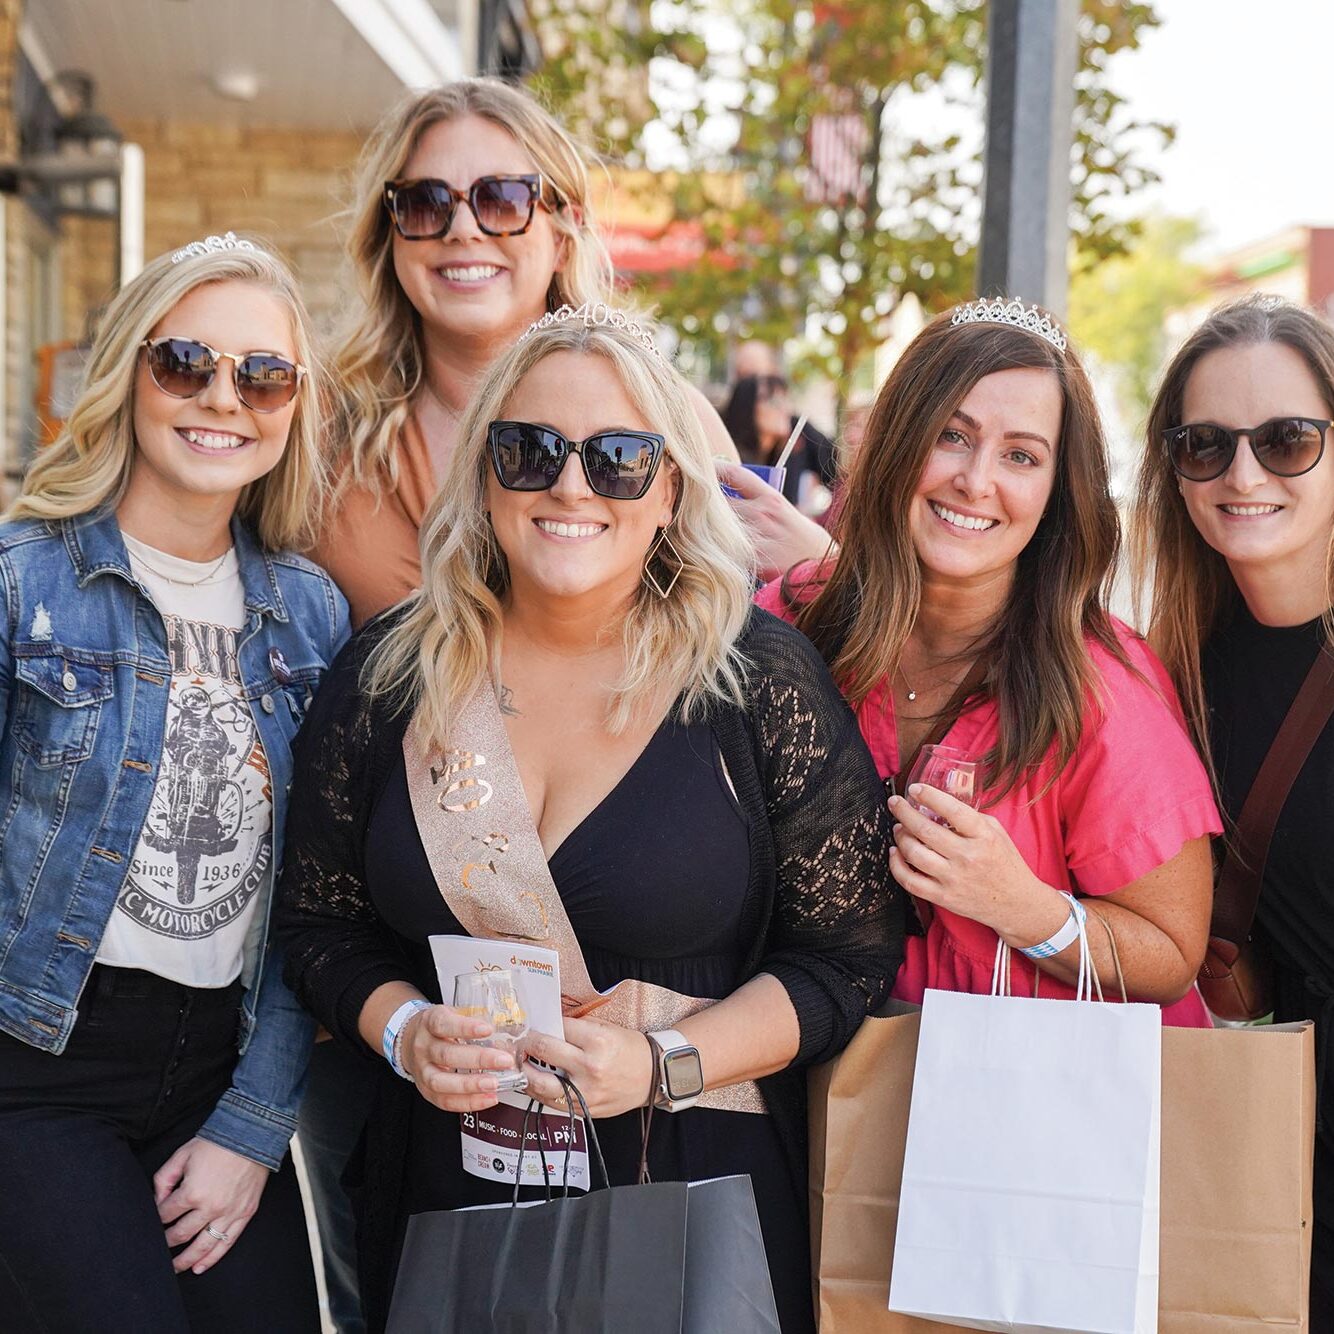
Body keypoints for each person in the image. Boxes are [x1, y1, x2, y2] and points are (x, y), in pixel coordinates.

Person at [275, 307, 901, 1333]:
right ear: (483, 475)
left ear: (667, 489)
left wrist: (666, 1061)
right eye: (528, 451)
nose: (570, 484)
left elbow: (846, 955)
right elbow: (316, 926)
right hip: (450, 1190)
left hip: (696, 1196)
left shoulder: (755, 682)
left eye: (617, 457)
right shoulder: (388, 674)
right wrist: (403, 1031)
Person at [302, 76, 736, 1329]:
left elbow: (760, 625)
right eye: (425, 201)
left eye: (500, 195)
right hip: (391, 999)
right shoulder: (323, 443)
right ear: (389, 235)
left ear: (559, 224)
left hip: (622, 1000)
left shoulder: (660, 414)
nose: (463, 229)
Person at [0, 233, 348, 1332]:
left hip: (219, 1070)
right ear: (130, 372)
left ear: (294, 403)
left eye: (263, 374)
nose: (222, 398)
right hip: (37, 1072)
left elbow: (317, 904)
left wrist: (252, 1124)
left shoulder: (310, 614)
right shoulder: (28, 583)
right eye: (184, 361)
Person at [757, 297, 1219, 1019]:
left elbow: (1171, 953)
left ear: (1055, 492)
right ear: (900, 441)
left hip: (1031, 1110)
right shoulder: (792, 623)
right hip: (809, 1086)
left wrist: (1023, 906)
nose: (976, 481)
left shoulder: (1099, 686)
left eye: (1020, 456)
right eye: (951, 435)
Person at [1130, 294, 1334, 1321]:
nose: (1241, 475)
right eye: (1204, 443)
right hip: (1255, 1161)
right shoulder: (1172, 666)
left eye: (1286, 440)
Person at [721, 372, 838, 511]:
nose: (785, 409)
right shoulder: (733, 461)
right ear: (746, 408)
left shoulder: (788, 455)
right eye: (774, 401)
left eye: (785, 399)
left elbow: (834, 465)